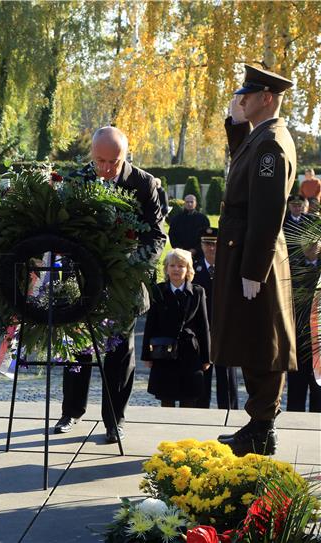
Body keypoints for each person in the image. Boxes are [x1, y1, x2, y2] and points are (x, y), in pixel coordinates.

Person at [53, 126, 166, 441]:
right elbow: (64, 229)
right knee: (77, 348)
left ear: (125, 157)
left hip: (123, 283)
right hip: (82, 280)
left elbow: (157, 236)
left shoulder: (144, 184)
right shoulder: (77, 181)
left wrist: (131, 266)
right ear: (91, 154)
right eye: (99, 160)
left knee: (118, 354)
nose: (104, 169)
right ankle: (70, 412)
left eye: (112, 163)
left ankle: (114, 420)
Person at [213, 65, 297, 456]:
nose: (240, 99)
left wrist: (253, 269)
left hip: (253, 254)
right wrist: (234, 125)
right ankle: (257, 423)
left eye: (247, 95)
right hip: (245, 250)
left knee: (263, 340)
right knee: (251, 336)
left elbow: (266, 210)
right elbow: (241, 166)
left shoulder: (271, 145)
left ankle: (263, 427)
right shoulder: (261, 137)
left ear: (267, 98)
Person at [143, 249, 211, 407]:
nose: (176, 269)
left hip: (190, 353)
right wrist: (147, 355)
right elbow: (150, 324)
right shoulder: (158, 291)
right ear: (166, 268)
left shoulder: (197, 292)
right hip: (164, 352)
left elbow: (203, 325)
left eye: (181, 266)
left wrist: (206, 357)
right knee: (166, 397)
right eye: (172, 265)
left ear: (188, 269)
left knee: (189, 398)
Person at [193, 228, 239, 410]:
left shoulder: (230, 267)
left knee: (226, 375)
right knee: (201, 374)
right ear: (202, 245)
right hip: (201, 329)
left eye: (214, 244)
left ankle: (229, 411)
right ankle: (200, 412)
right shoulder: (193, 268)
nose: (211, 248)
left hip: (224, 329)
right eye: (207, 244)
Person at [287, 240, 321, 412]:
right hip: (298, 336)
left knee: (319, 390)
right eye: (308, 243)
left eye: (315, 243)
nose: (312, 246)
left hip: (319, 338)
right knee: (296, 389)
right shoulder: (292, 267)